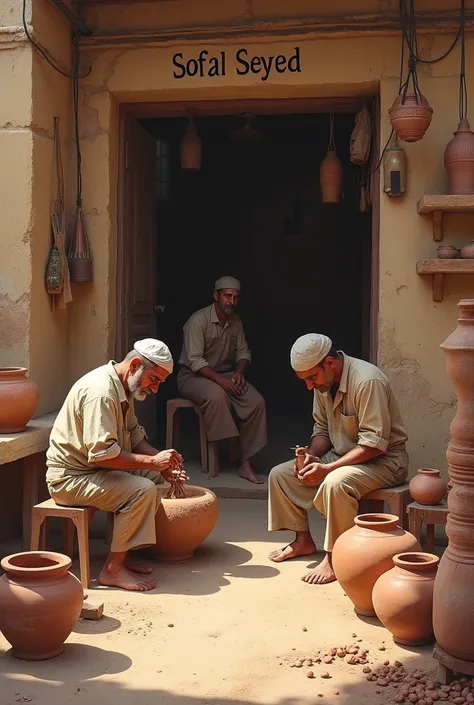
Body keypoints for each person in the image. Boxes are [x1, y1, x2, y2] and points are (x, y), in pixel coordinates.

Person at [268, 333, 408, 585]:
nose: (309, 386)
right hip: (343, 455)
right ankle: (303, 541)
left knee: (335, 482)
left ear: (329, 363)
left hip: (384, 461)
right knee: (281, 474)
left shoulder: (367, 381)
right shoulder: (323, 384)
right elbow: (321, 430)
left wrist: (328, 468)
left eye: (312, 378)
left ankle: (335, 557)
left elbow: (374, 444)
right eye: (305, 380)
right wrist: (311, 457)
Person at [46, 339, 184, 592]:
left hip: (96, 471)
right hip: (70, 479)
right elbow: (101, 455)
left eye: (159, 383)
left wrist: (161, 463)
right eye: (154, 379)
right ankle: (112, 569)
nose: (155, 389)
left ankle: (124, 553)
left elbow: (134, 435)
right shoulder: (101, 392)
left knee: (155, 479)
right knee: (142, 489)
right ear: (134, 365)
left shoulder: (123, 387)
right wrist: (153, 462)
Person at [177, 276, 267, 484]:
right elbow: (195, 360)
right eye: (227, 296)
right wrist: (221, 381)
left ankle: (246, 462)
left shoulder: (235, 321)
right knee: (217, 396)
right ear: (216, 295)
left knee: (256, 402)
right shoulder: (198, 320)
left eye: (235, 297)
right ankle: (219, 456)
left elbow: (244, 351)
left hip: (226, 374)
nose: (231, 301)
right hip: (192, 376)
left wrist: (238, 373)